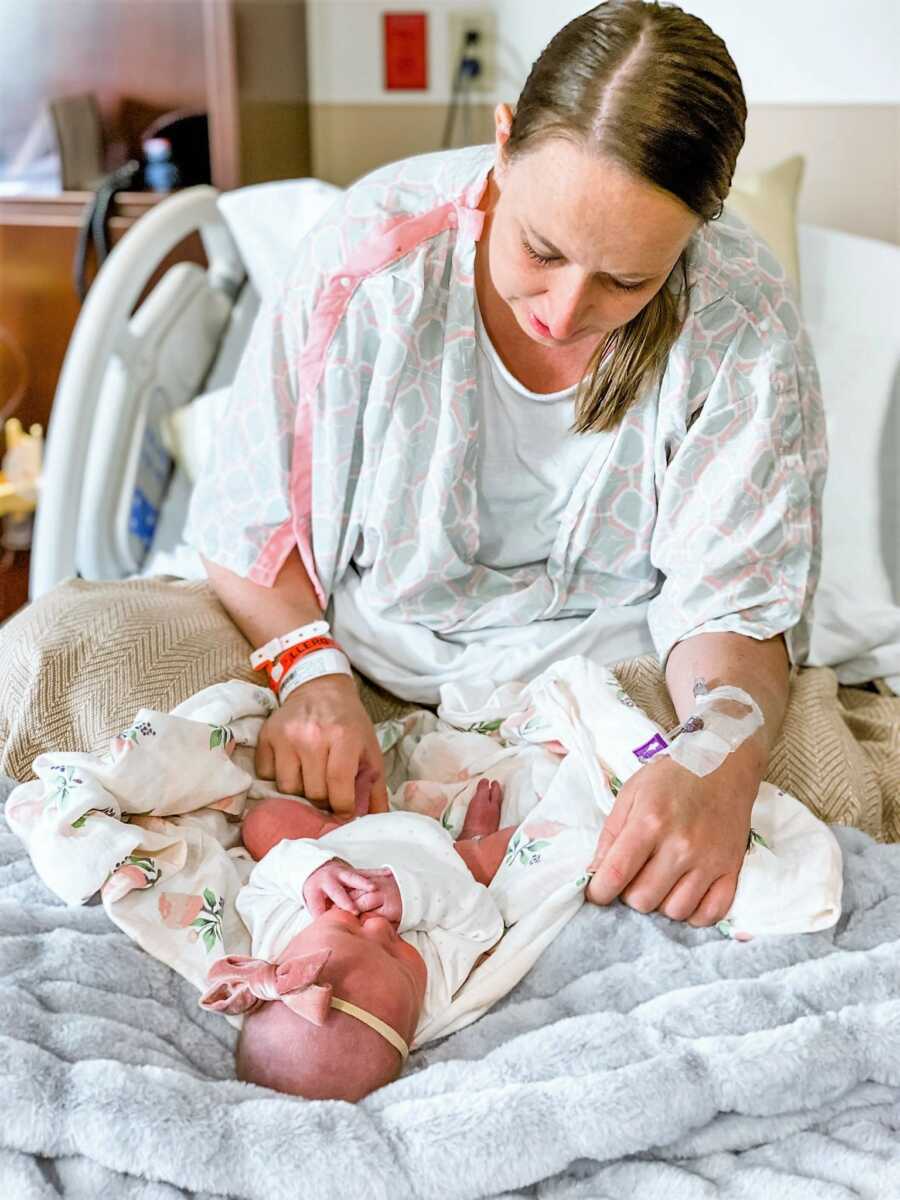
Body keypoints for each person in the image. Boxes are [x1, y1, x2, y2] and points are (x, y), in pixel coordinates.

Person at [185, 1, 826, 931]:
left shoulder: (739, 318)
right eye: (542, 249)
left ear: (693, 238)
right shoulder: (373, 263)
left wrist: (714, 757)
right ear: (503, 142)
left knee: (784, 815)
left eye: (626, 280)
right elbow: (256, 518)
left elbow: (732, 602)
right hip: (355, 655)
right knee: (69, 657)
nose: (565, 314)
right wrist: (309, 671)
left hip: (619, 686)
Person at [203, 779, 515, 1100]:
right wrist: (412, 898)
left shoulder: (278, 934)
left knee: (262, 822)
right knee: (507, 853)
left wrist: (313, 872)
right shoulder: (432, 999)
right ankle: (474, 836)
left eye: (347, 931)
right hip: (437, 859)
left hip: (342, 842)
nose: (380, 926)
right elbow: (481, 924)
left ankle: (343, 820)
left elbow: (264, 882)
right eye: (397, 953)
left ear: (286, 959)